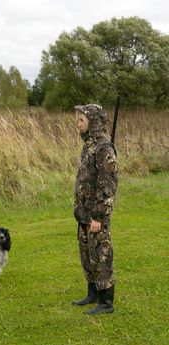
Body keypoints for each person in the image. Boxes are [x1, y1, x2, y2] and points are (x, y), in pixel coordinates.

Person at [72, 103, 118, 315]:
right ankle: (92, 293)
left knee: (101, 253)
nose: (77, 123)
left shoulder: (103, 148)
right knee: (86, 253)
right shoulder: (88, 146)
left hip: (96, 215)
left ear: (94, 123)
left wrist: (99, 216)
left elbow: (107, 186)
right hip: (84, 213)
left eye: (81, 120)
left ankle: (106, 302)